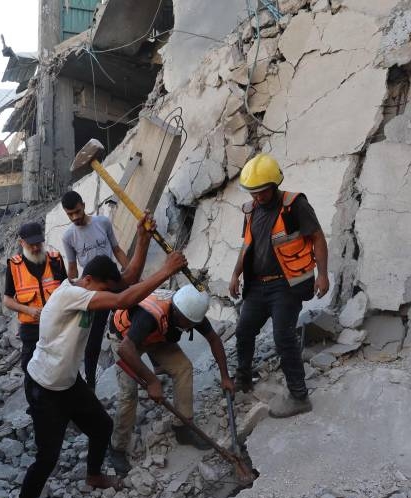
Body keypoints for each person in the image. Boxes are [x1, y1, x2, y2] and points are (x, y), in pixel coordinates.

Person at [9, 216, 188, 498]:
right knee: (46, 459)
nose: (108, 297)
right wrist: (166, 271)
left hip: (67, 382)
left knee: (102, 426)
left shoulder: (92, 289)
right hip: (45, 385)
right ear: (88, 280)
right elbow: (122, 300)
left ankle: (93, 475)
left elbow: (127, 284)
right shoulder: (70, 295)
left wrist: (141, 237)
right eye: (104, 289)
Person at [229, 154, 329, 417]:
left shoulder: (294, 205)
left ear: (274, 185)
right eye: (253, 193)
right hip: (258, 286)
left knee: (283, 337)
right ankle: (243, 378)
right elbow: (246, 245)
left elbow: (317, 237)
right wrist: (234, 274)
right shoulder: (250, 210)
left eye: (261, 192)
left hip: (287, 285)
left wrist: (323, 275)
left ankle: (299, 397)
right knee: (243, 330)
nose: (257, 198)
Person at [108, 285, 236, 473]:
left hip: (156, 337)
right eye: (187, 324)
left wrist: (225, 377)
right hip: (124, 339)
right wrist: (152, 381)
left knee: (183, 368)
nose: (189, 328)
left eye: (192, 324)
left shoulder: (191, 312)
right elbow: (125, 349)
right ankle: (117, 448)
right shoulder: (149, 316)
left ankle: (183, 428)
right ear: (176, 313)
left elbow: (214, 340)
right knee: (129, 394)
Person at [60, 190, 131, 389]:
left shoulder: (103, 223)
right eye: (70, 214)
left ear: (83, 204)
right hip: (93, 290)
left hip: (114, 282)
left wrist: (131, 273)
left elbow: (117, 250)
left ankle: (157, 363)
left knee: (133, 316)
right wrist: (69, 290)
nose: (75, 217)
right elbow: (73, 268)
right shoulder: (68, 237)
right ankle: (90, 383)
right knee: (93, 338)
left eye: (77, 211)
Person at [2, 221, 67, 371]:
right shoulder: (14, 266)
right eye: (31, 245)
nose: (36, 248)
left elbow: (66, 290)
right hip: (31, 329)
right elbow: (7, 300)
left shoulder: (55, 260)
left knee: (61, 367)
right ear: (21, 243)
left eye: (38, 243)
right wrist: (29, 311)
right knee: (31, 369)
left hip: (57, 326)